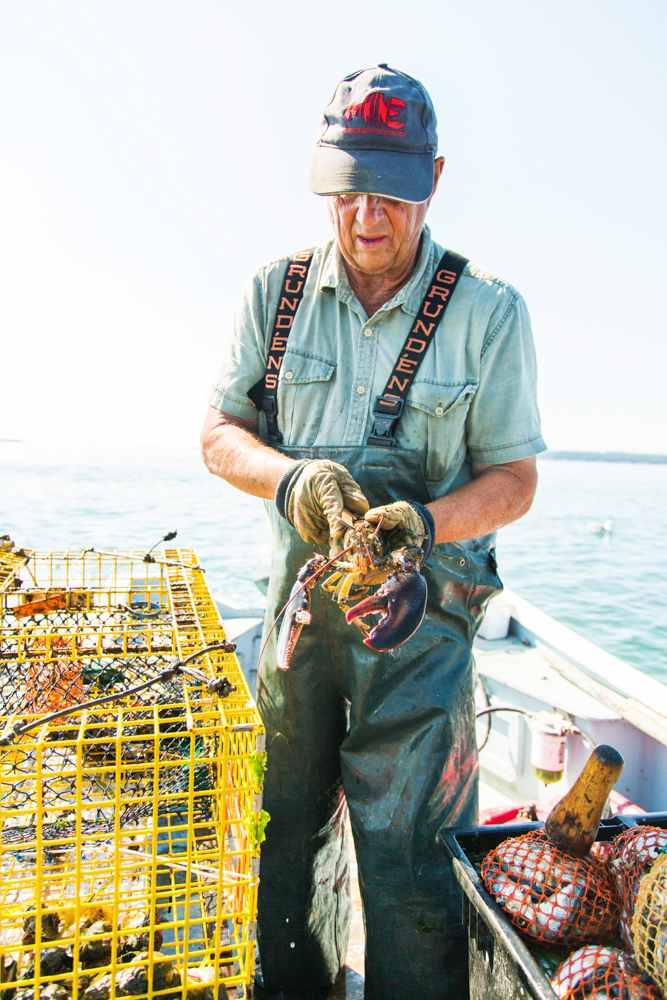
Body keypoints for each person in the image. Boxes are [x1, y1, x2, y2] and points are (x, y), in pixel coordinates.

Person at [201, 64, 546, 1000]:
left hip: (423, 635)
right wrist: (293, 478)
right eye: (347, 191)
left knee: (413, 858)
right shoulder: (269, 295)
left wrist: (422, 523)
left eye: (390, 193)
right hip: (298, 627)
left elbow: (513, 480)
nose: (364, 219)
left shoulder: (488, 312)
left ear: (431, 179)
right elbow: (218, 435)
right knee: (284, 831)